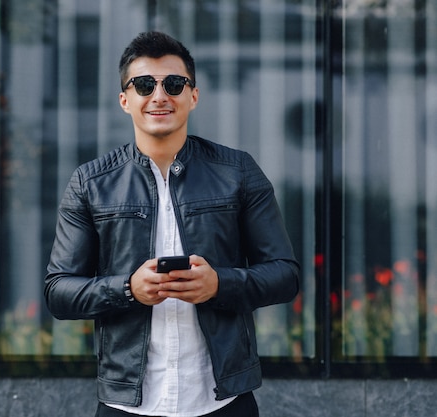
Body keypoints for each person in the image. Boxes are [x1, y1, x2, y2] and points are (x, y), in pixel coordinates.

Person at [45, 31, 299, 417]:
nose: (160, 95)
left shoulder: (238, 172)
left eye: (174, 83)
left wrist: (219, 284)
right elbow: (59, 291)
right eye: (144, 85)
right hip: (127, 404)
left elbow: (285, 275)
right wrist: (128, 289)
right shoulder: (90, 183)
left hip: (221, 400)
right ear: (124, 100)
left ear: (193, 96)